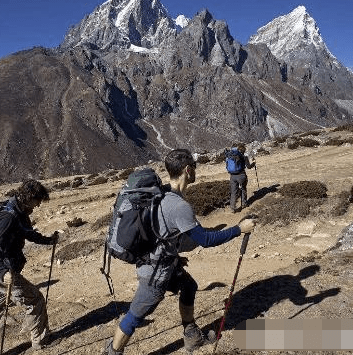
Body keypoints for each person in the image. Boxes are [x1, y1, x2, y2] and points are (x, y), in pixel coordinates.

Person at [103, 149, 256, 354]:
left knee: (188, 285)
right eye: (194, 167)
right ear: (187, 170)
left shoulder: (163, 192)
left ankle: (192, 337)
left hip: (165, 262)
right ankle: (112, 351)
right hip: (155, 273)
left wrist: (174, 255)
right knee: (135, 315)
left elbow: (161, 232)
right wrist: (239, 229)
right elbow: (206, 240)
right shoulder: (178, 206)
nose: (195, 171)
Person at [0, 179, 59, 355]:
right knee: (36, 300)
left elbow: (26, 232)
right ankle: (40, 341)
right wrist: (3, 273)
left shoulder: (17, 210)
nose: (38, 205)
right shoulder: (8, 217)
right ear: (29, 197)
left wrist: (47, 240)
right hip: (5, 275)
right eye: (37, 201)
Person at [228, 144, 256, 212]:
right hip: (241, 175)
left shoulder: (230, 156)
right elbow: (249, 167)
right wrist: (254, 163)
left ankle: (232, 207)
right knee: (243, 189)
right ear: (243, 150)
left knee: (233, 192)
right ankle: (244, 204)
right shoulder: (244, 157)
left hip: (232, 176)